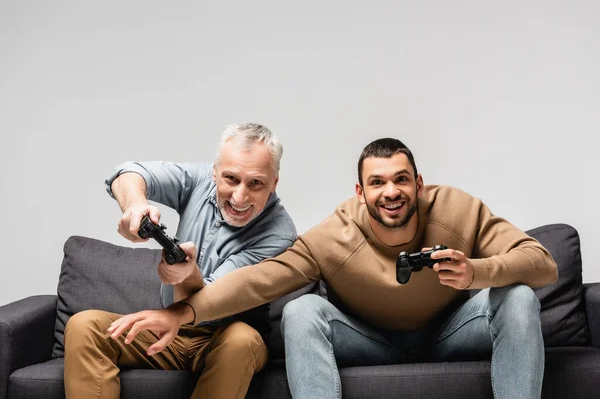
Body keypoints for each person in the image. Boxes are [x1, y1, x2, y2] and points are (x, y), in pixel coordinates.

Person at [107, 138, 558, 399]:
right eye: (377, 182)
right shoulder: (335, 235)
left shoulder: (459, 209)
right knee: (301, 311)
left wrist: (475, 271)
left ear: (418, 185)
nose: (391, 192)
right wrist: (182, 314)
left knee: (517, 296)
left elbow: (542, 264)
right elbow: (260, 280)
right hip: (369, 342)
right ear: (360, 192)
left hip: (452, 333)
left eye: (401, 179)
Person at [63, 123, 297, 399]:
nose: (239, 196)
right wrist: (135, 205)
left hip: (225, 338)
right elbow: (127, 172)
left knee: (241, 340)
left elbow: (216, 296)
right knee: (84, 325)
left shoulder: (280, 234)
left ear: (274, 183)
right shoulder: (199, 179)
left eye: (256, 183)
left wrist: (187, 276)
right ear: (214, 172)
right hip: (167, 331)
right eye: (231, 178)